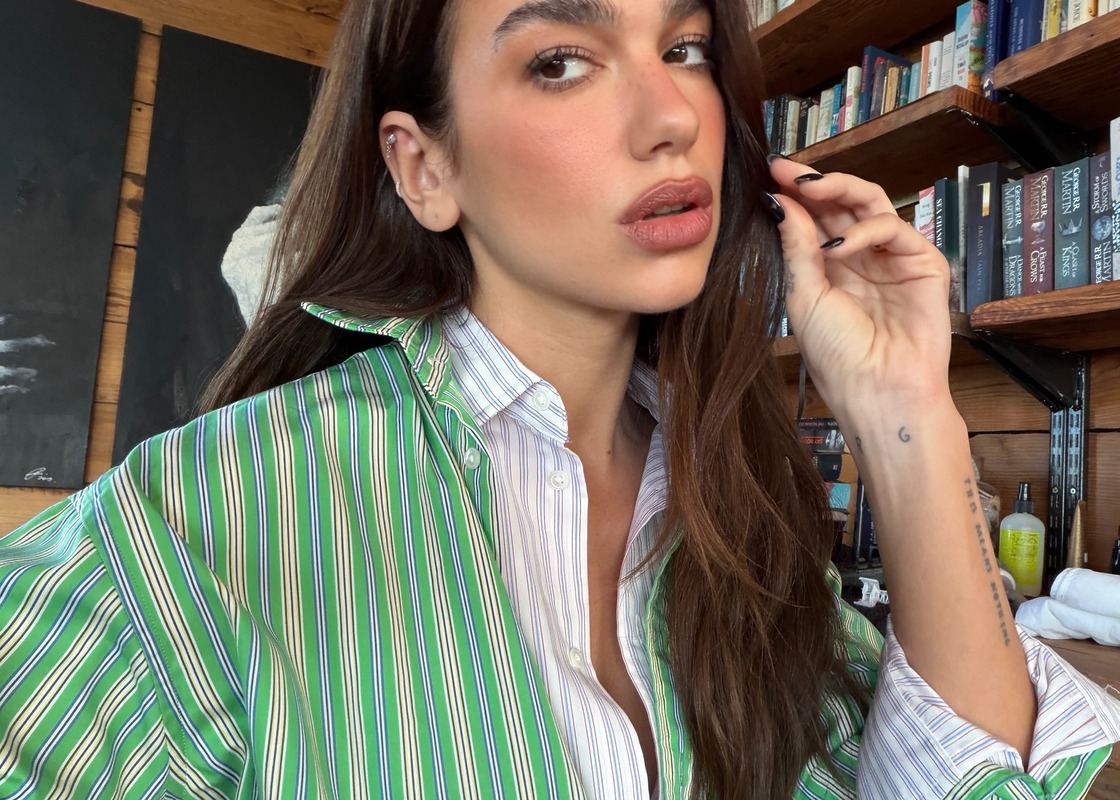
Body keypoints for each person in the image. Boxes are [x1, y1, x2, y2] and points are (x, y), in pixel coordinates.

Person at [2, 0, 1118, 797]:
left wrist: (906, 412)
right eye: (561, 62)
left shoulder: (738, 505)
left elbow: (958, 779)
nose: (670, 115)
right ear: (423, 168)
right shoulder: (196, 522)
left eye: (684, 47)